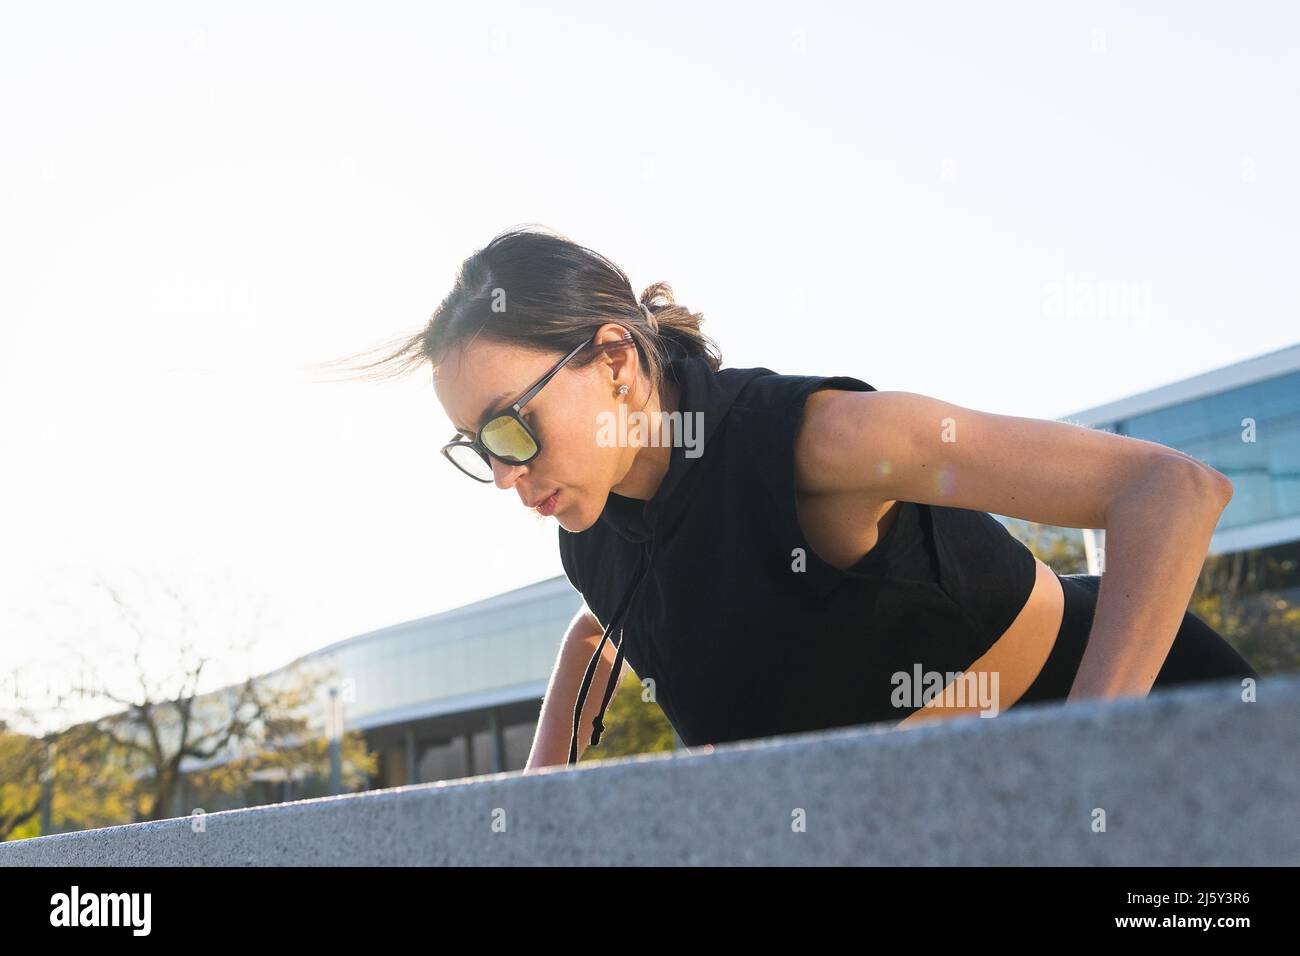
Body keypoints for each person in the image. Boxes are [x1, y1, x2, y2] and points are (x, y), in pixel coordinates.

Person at [334, 225, 1258, 770]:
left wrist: (1082, 759)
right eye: (476, 446)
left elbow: (1169, 489)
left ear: (615, 360)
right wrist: (536, 788)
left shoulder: (823, 440)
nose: (503, 472)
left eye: (511, 426)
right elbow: (601, 629)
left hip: (1161, 749)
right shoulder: (592, 537)